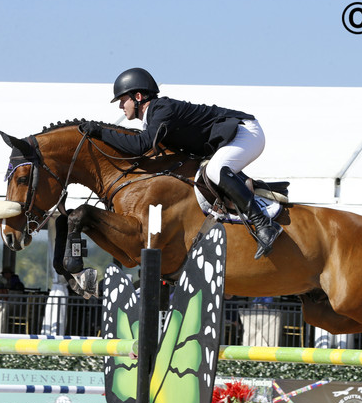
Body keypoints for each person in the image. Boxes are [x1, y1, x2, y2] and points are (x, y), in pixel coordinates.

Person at [79, 67, 282, 260]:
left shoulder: (162, 109)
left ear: (138, 97)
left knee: (215, 170)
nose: (121, 106)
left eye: (123, 100)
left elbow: (140, 146)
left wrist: (100, 132)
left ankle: (264, 225)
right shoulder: (152, 118)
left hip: (245, 133)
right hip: (228, 139)